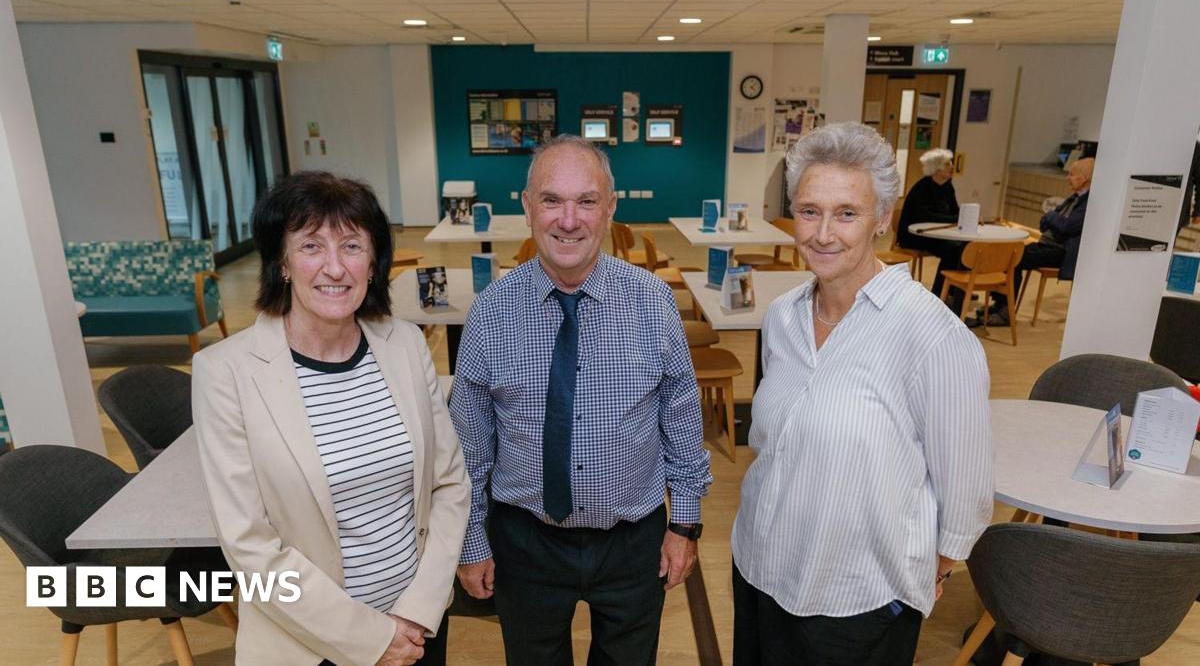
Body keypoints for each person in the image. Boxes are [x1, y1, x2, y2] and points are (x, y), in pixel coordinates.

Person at [731, 122, 993, 666]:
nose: (823, 233)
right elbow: (772, 443)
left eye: (846, 213)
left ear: (882, 220)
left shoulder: (933, 337)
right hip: (761, 569)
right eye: (809, 211)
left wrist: (934, 570)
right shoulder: (783, 318)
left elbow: (965, 493)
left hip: (857, 599)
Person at [450, 134, 712, 664]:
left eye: (587, 201)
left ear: (610, 209)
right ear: (527, 208)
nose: (568, 220)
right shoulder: (490, 312)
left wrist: (683, 524)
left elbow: (681, 420)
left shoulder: (653, 302)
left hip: (633, 541)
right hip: (525, 542)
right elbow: (468, 450)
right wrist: (472, 542)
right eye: (551, 200)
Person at [193, 171, 470, 666]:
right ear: (282, 262)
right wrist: (369, 638)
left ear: (373, 262)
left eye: (351, 246)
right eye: (311, 246)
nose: (335, 268)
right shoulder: (225, 372)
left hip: (415, 631)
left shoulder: (405, 343)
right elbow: (248, 547)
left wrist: (418, 611)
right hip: (304, 643)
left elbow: (449, 485)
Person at [979, 157, 1095, 326]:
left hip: (1062, 252)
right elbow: (1045, 223)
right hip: (1049, 245)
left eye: (1071, 174)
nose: (1067, 178)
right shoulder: (1074, 198)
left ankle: (1006, 313)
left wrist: (1052, 217)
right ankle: (1002, 304)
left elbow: (1067, 226)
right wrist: (1054, 218)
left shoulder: (1089, 202)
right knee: (1010, 253)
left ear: (1084, 178)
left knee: (1016, 259)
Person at [895, 148, 965, 309]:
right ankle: (940, 294)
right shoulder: (923, 188)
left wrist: (964, 216)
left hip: (936, 234)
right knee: (952, 249)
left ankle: (956, 288)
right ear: (937, 168)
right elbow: (926, 217)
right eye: (948, 164)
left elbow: (955, 210)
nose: (952, 167)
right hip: (915, 236)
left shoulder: (947, 186)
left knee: (964, 247)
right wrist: (956, 219)